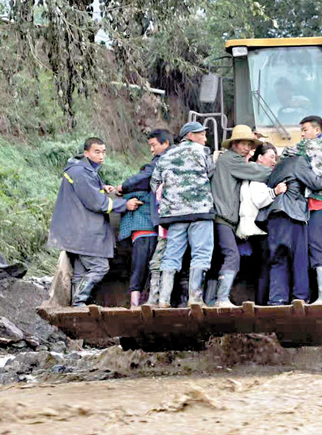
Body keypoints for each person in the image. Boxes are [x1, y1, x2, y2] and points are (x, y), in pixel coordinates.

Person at [48, 138, 142, 306]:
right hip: (83, 231)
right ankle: (79, 301)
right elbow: (97, 203)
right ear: (86, 153)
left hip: (75, 232)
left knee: (81, 272)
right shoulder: (81, 173)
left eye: (103, 152)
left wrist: (101, 187)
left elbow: (88, 191)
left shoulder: (84, 170)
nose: (101, 156)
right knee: (100, 267)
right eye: (97, 152)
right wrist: (125, 205)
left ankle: (75, 306)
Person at [210, 125, 285, 307]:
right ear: (234, 144)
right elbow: (257, 172)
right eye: (243, 144)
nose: (246, 148)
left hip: (224, 217)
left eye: (249, 144)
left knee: (217, 259)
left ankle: (210, 299)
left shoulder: (230, 160)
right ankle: (220, 299)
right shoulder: (231, 161)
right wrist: (282, 172)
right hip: (223, 216)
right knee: (232, 256)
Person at [151, 121, 216, 307]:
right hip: (200, 210)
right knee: (201, 253)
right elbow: (211, 173)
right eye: (201, 134)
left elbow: (155, 183)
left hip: (174, 214)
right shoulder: (202, 151)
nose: (205, 138)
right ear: (190, 136)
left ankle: (163, 299)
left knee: (171, 255)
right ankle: (195, 298)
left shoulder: (166, 155)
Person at [257, 138, 322, 305]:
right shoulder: (298, 162)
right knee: (299, 258)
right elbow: (317, 183)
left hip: (274, 217)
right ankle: (300, 297)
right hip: (292, 215)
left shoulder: (278, 166)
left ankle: (277, 300)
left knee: (278, 259)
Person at [116, 128, 171, 308]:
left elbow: (143, 177)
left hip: (148, 230)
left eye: (153, 145)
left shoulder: (162, 163)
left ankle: (138, 303)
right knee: (153, 265)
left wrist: (122, 187)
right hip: (151, 230)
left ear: (166, 144)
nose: (151, 149)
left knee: (143, 266)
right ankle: (149, 301)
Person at [236, 142, 282, 304]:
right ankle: (262, 304)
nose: (274, 161)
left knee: (259, 268)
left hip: (249, 228)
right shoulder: (258, 176)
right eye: (271, 157)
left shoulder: (250, 173)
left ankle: (259, 302)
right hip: (257, 229)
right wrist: (275, 191)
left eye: (275, 158)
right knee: (264, 268)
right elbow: (259, 199)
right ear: (260, 158)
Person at [299, 116, 322, 304]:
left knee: (318, 247)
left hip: (318, 204)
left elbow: (317, 178)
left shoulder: (315, 148)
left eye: (305, 130)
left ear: (317, 130)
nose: (302, 134)